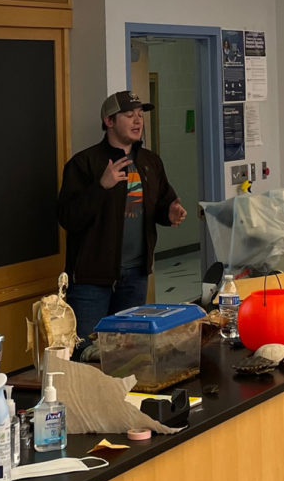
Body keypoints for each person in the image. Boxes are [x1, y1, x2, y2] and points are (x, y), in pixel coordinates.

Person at [57, 90, 188, 350]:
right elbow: (69, 218)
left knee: (130, 351)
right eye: (129, 115)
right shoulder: (85, 163)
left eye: (140, 115)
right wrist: (101, 187)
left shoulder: (150, 162)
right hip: (92, 279)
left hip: (136, 275)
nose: (138, 121)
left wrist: (170, 213)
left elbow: (163, 203)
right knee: (87, 351)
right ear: (109, 121)